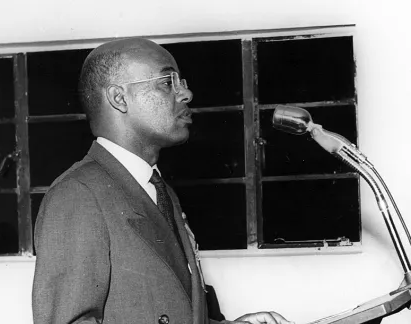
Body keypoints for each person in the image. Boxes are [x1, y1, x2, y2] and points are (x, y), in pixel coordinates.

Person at [32, 38, 294, 324]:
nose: (187, 94)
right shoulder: (78, 194)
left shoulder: (158, 190)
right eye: (168, 82)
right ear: (119, 98)